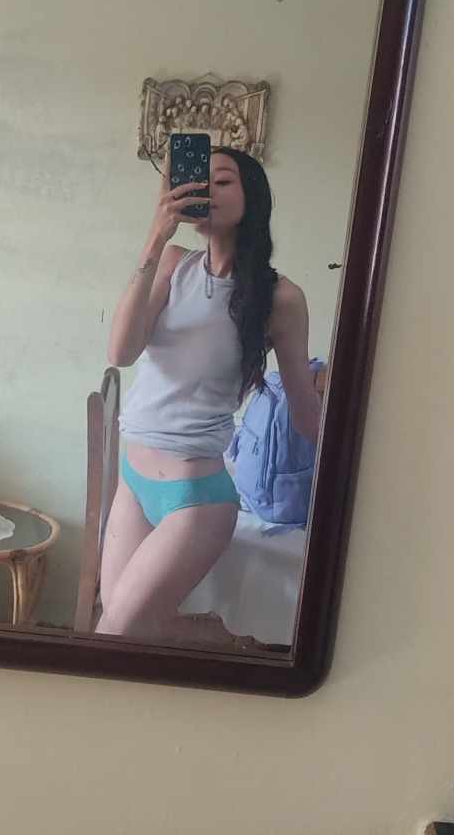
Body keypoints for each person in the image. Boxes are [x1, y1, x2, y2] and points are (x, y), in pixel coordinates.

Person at [97, 144, 322, 640]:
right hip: (134, 481)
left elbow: (304, 411)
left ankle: (229, 644)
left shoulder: (281, 297)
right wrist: (156, 236)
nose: (206, 190)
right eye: (200, 180)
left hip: (196, 496)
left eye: (222, 182)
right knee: (120, 629)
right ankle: (222, 636)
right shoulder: (173, 263)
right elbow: (120, 351)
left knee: (117, 631)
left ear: (252, 197)